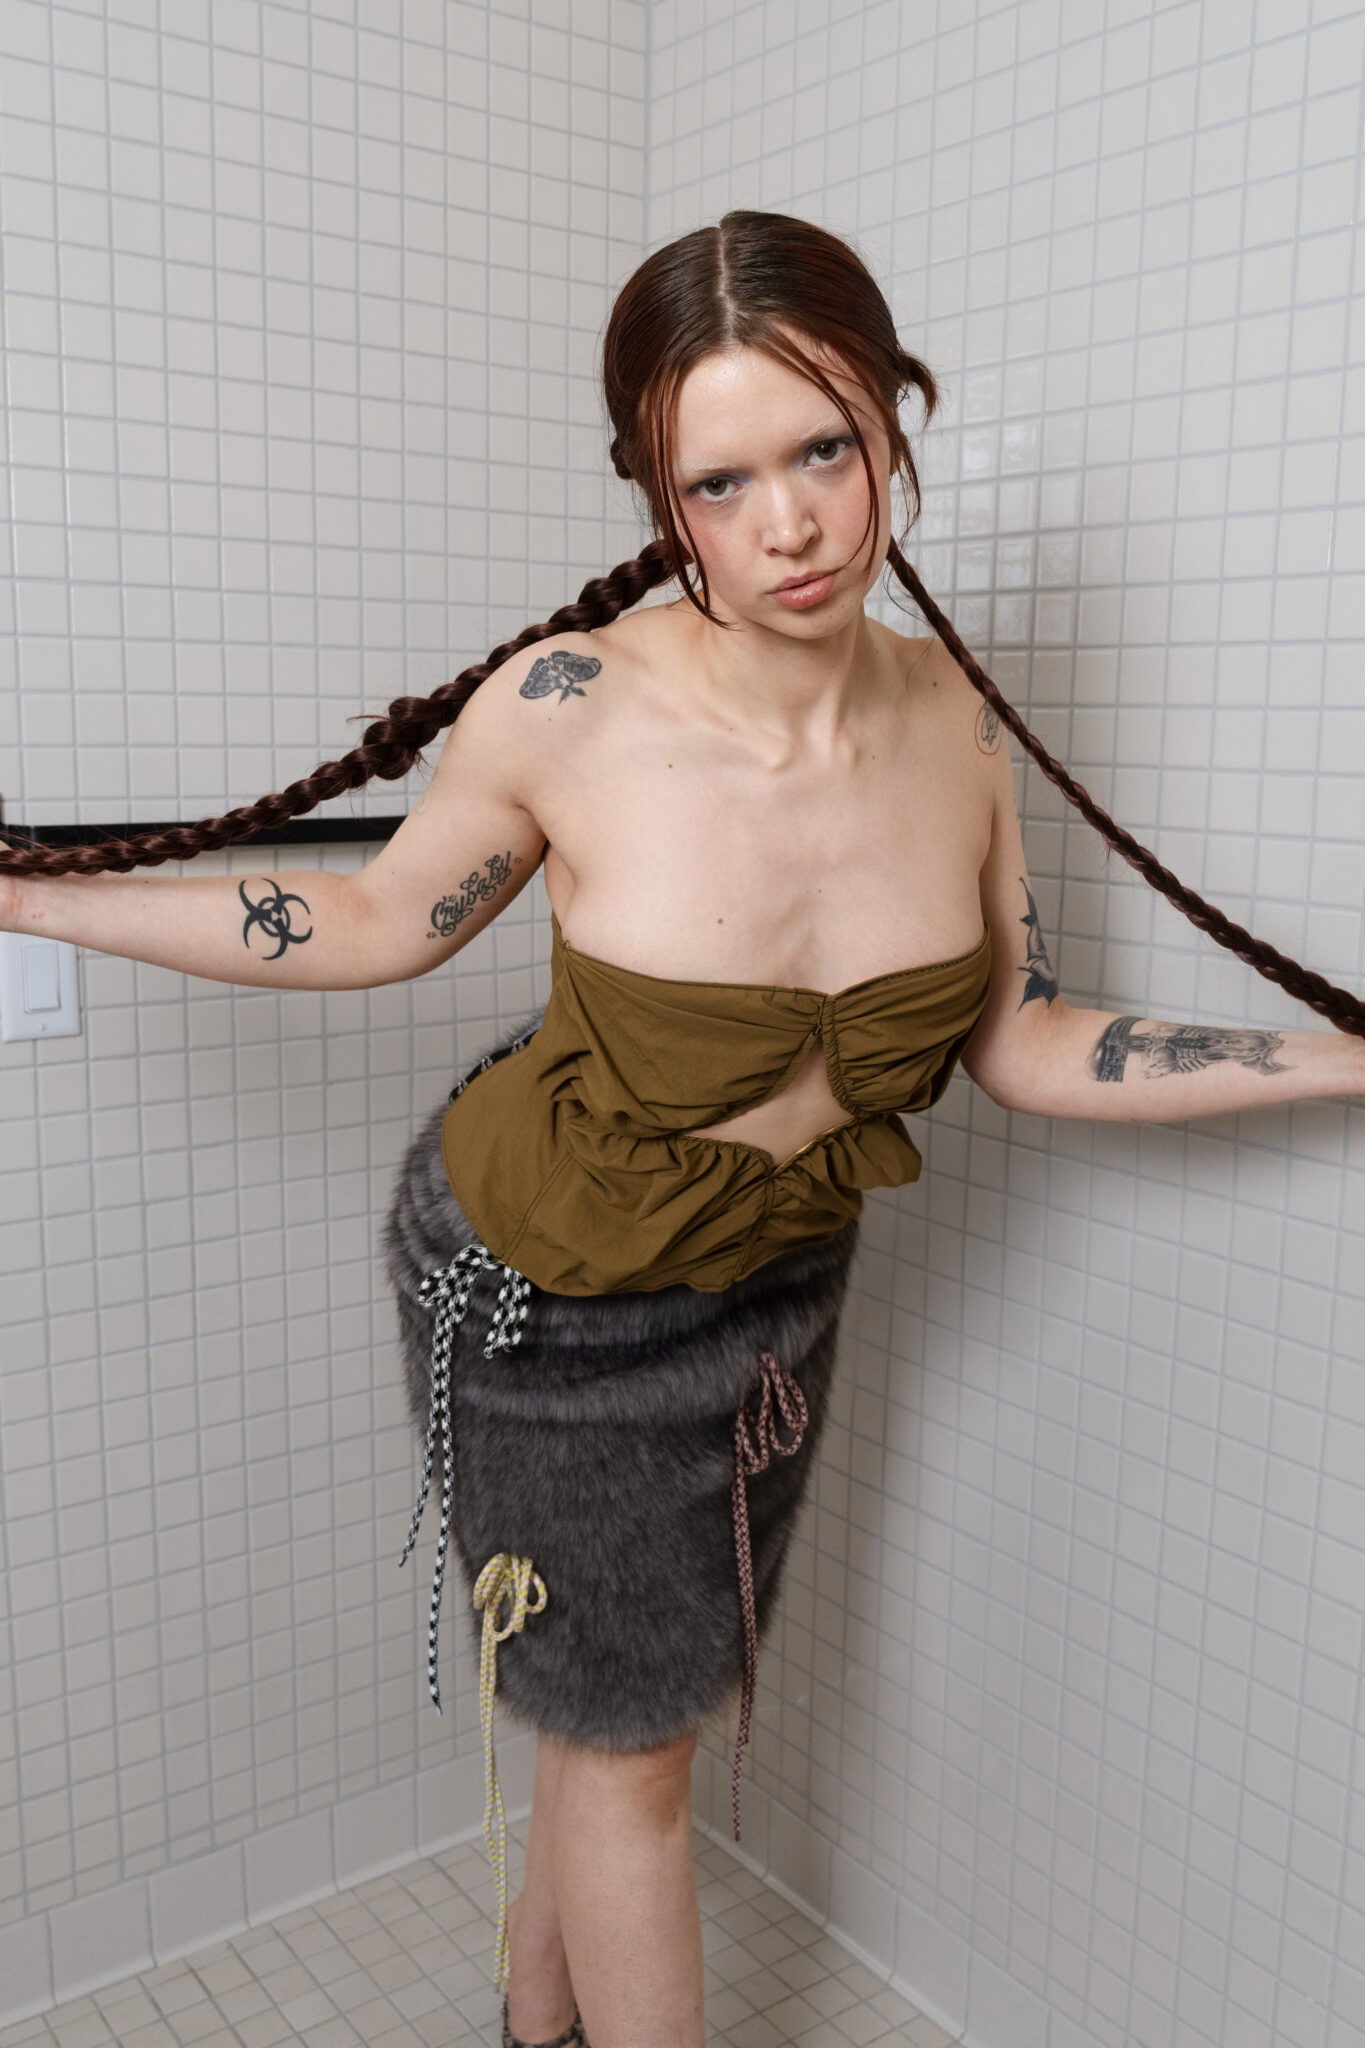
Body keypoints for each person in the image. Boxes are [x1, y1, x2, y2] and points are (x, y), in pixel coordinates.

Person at [2, 211, 1362, 2048]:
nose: (790, 524)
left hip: (775, 1294)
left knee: (622, 1719)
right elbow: (374, 917)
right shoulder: (574, 708)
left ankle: (530, 2021)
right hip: (544, 1297)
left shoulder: (953, 726)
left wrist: (1338, 1058)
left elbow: (1024, 1040)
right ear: (661, 493)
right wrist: (31, 900)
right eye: (721, 481)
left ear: (891, 423)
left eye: (824, 449)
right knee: (639, 1753)